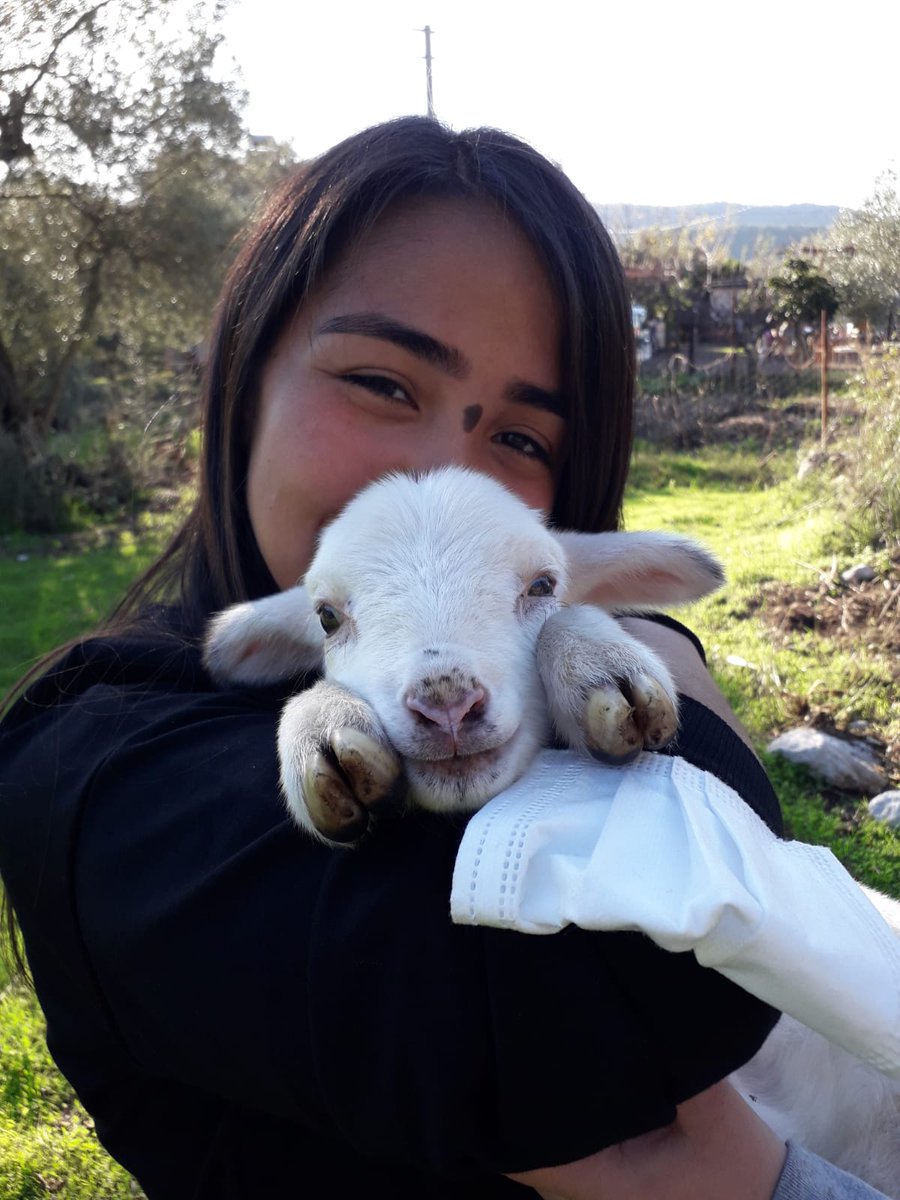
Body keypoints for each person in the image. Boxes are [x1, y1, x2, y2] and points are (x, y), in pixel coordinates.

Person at [0, 117, 887, 1200]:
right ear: (240, 380)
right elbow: (662, 989)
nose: (436, 483)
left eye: (521, 441)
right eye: (381, 382)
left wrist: (593, 632)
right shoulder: (102, 775)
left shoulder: (547, 641)